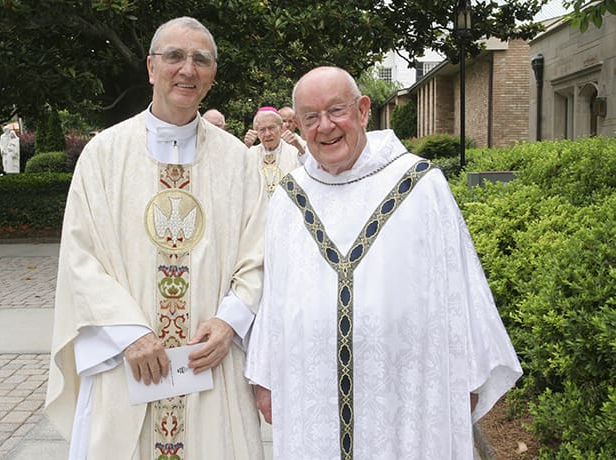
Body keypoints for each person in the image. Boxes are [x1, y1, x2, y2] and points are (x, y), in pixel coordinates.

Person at [245, 66, 523, 459]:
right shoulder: (289, 198)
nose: (325, 127)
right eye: (311, 117)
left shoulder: (421, 185)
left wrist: (466, 375)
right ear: (300, 126)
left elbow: (458, 284)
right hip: (312, 389)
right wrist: (267, 377)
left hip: (406, 388)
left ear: (362, 111)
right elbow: (274, 295)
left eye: (336, 111)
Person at [45, 17, 267, 460]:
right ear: (151, 68)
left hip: (210, 362)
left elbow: (259, 253)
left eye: (200, 60)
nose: (187, 69)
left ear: (212, 76)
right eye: (175, 57)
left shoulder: (240, 162)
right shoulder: (104, 155)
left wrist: (229, 322)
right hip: (129, 360)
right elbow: (80, 256)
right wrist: (130, 334)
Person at [248, 106, 301, 196]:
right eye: (262, 129)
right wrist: (245, 146)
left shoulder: (295, 153)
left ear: (281, 128)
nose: (267, 134)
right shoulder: (250, 154)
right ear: (256, 131)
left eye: (271, 128)